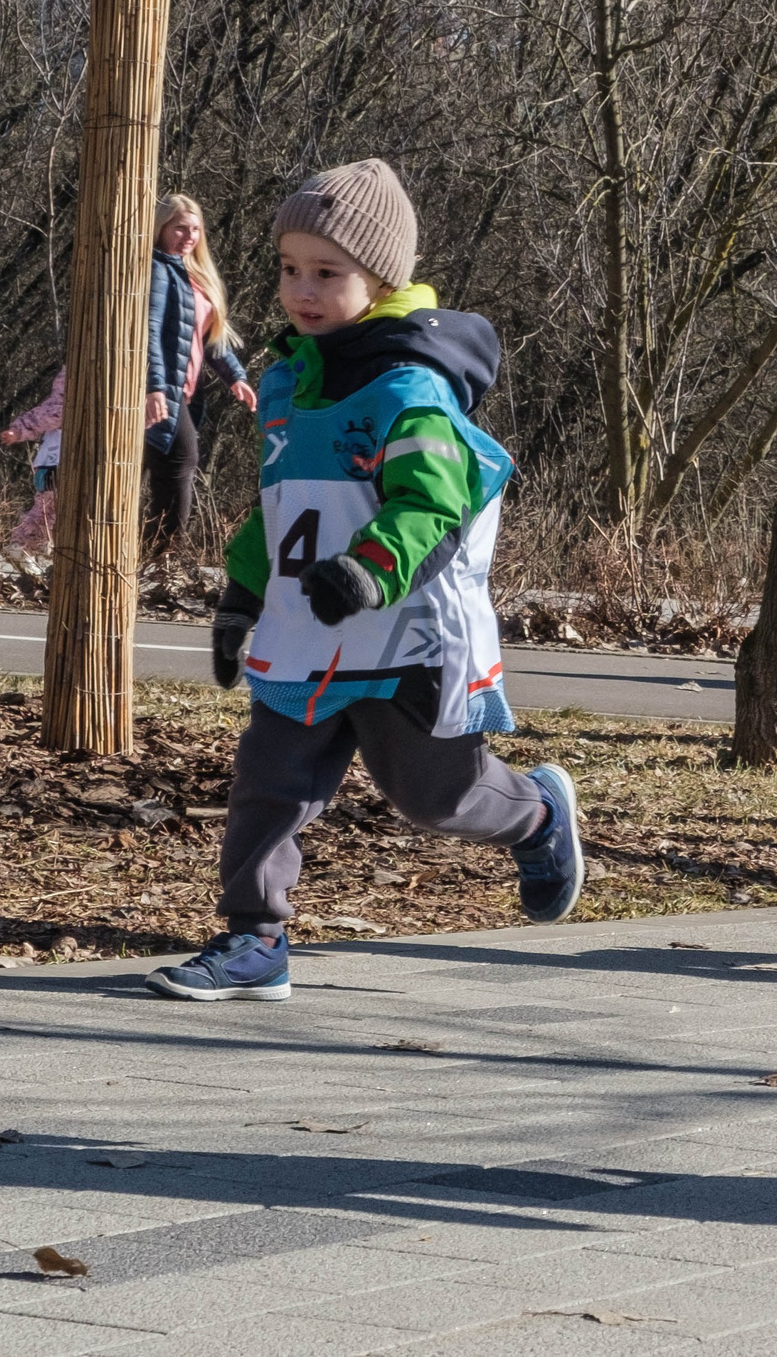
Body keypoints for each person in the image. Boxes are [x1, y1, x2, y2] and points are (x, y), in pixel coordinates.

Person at [147, 159, 581, 1003]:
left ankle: (536, 814)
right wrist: (241, 600)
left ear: (381, 280)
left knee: (434, 796)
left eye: (327, 272)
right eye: (288, 269)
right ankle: (254, 938)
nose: (301, 290)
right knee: (267, 782)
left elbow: (435, 503)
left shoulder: (410, 387)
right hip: (305, 640)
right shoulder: (284, 382)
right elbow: (276, 507)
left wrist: (369, 569)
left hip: (401, 640)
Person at [144, 194, 258, 554]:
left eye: (195, 229)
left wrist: (235, 377)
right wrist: (154, 387)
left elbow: (210, 339)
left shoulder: (193, 274)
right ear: (161, 227)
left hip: (185, 394)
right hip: (162, 392)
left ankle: (150, 556)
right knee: (178, 464)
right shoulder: (158, 270)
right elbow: (147, 332)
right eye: (180, 227)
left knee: (165, 470)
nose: (189, 236)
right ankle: (156, 556)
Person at [0, 368, 64, 555]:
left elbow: (36, 417)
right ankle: (24, 545)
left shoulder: (57, 408)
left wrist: (18, 431)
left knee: (49, 509)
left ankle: (35, 544)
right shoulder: (60, 409)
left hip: (48, 464)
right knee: (47, 508)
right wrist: (17, 431)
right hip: (53, 465)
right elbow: (38, 418)